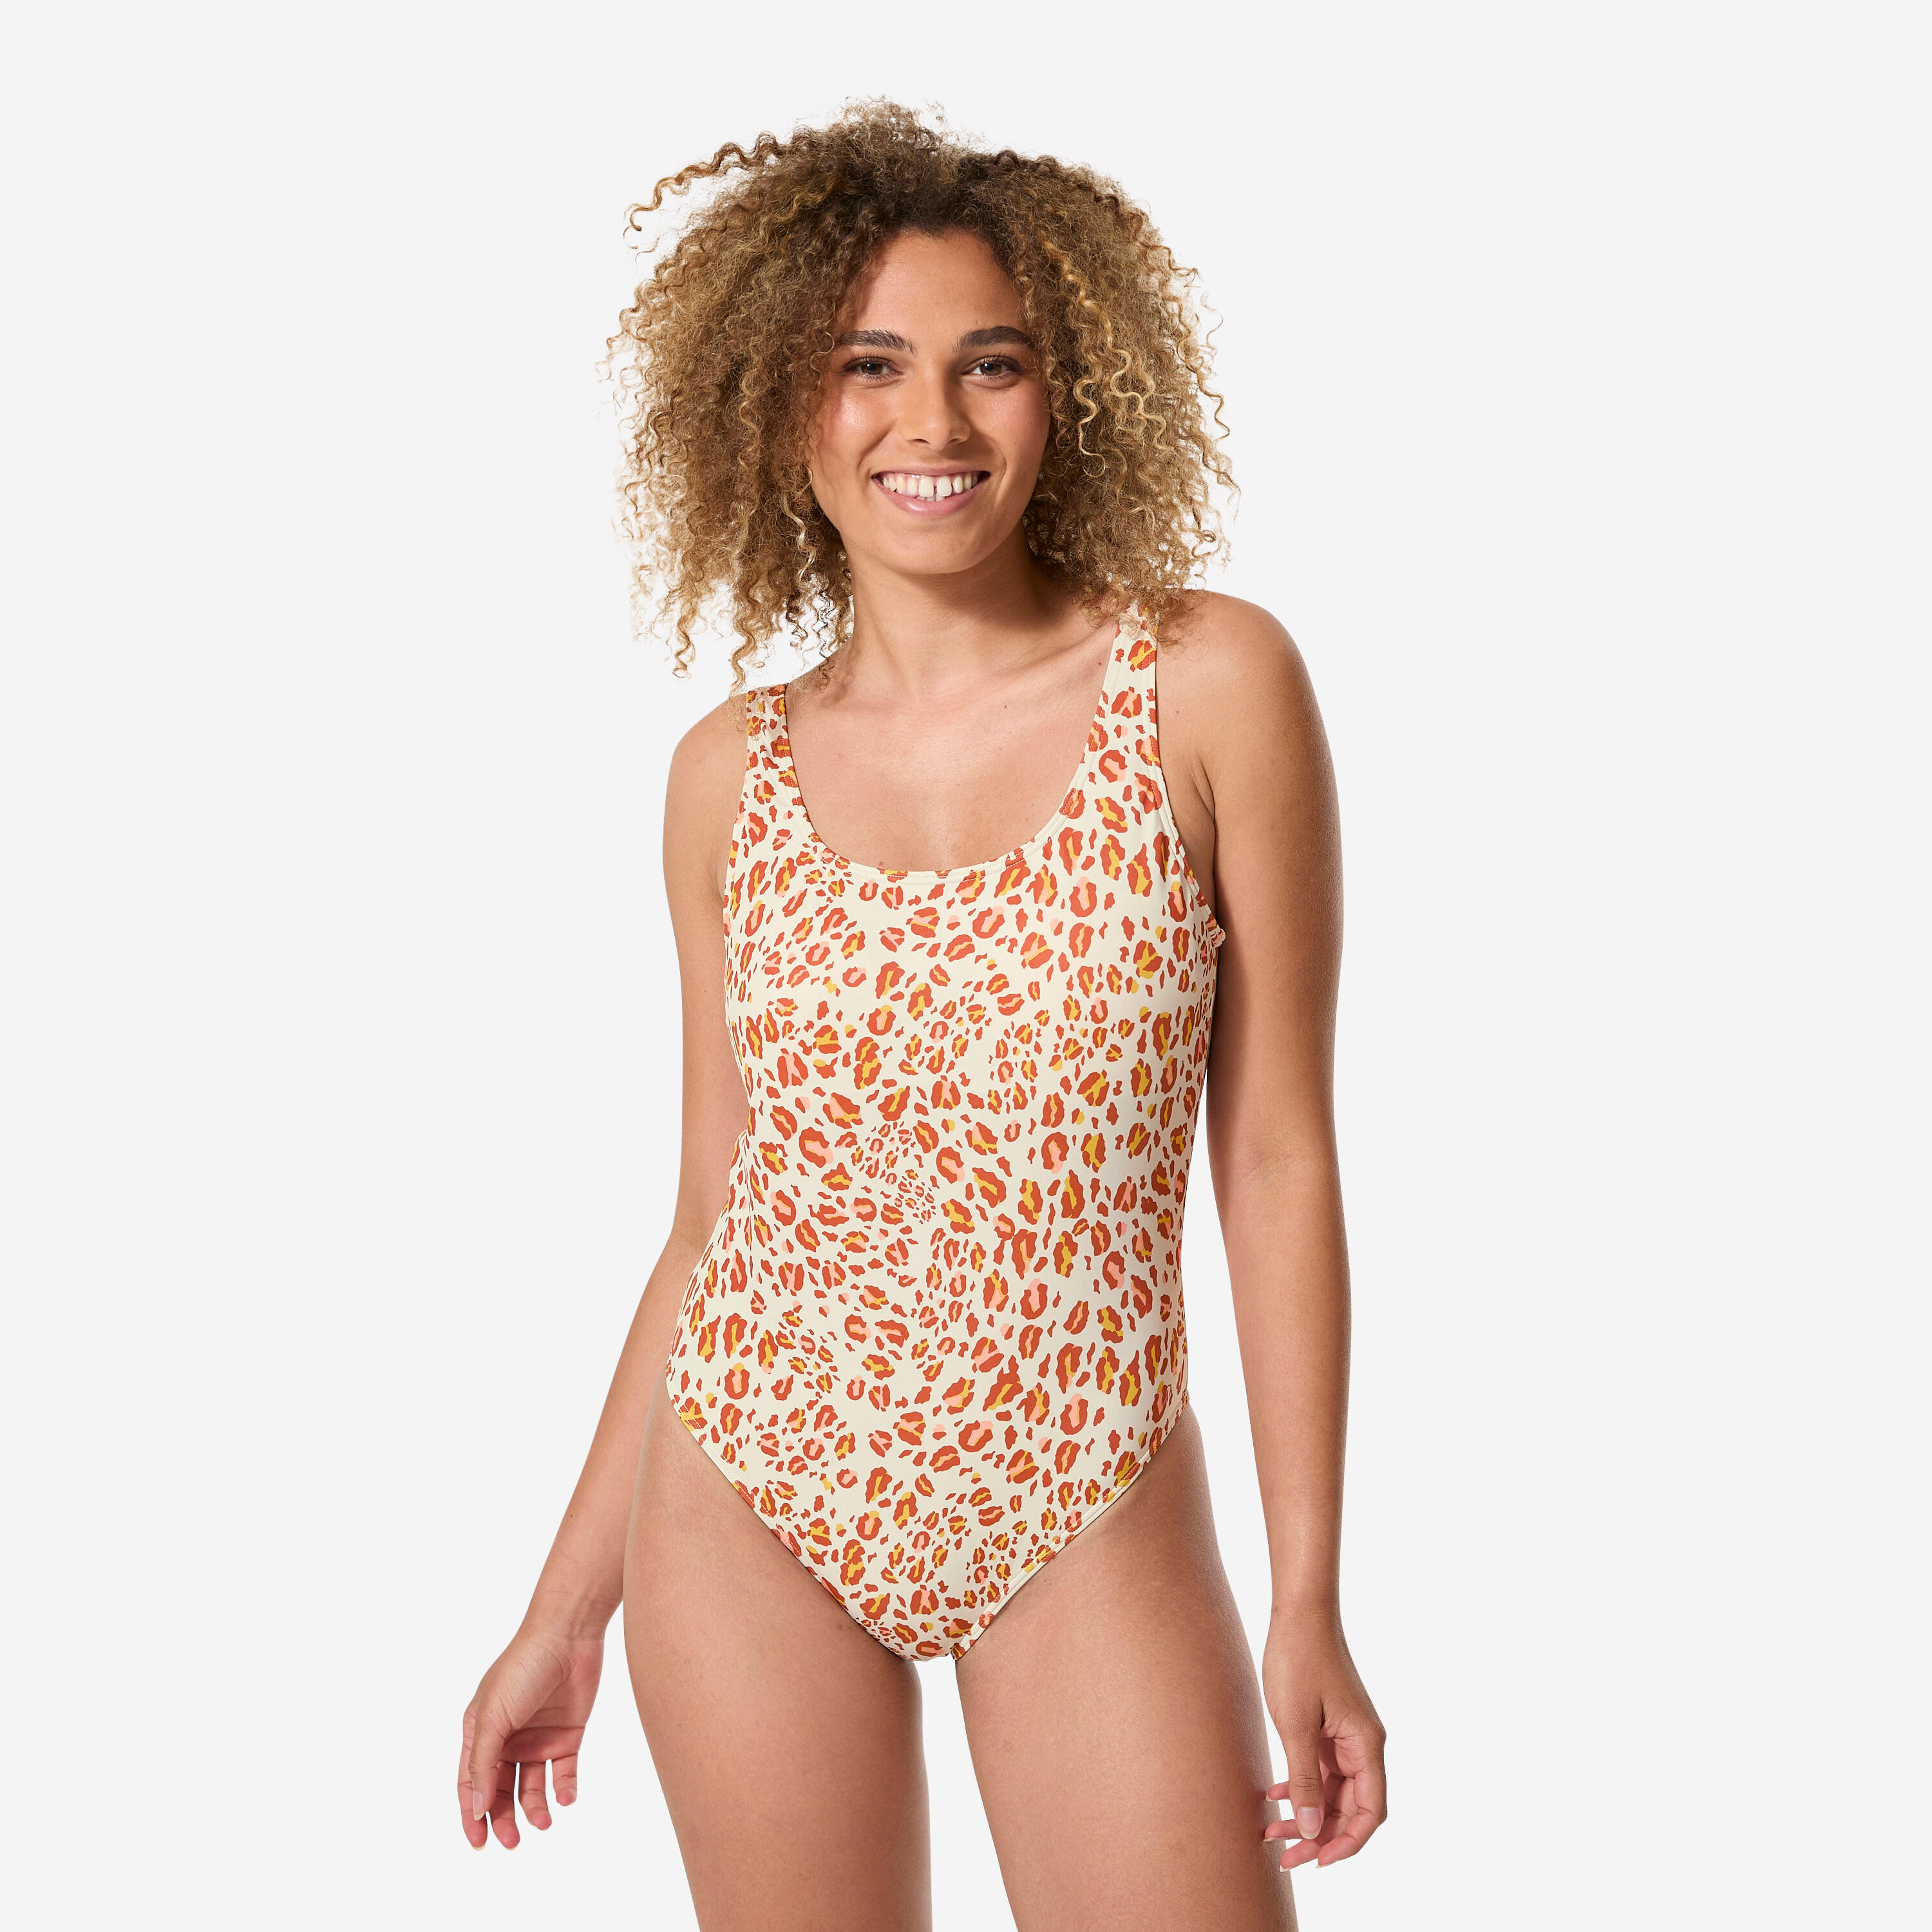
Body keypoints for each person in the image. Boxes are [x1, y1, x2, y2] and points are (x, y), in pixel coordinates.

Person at [457, 101, 1387, 1930]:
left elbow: (1275, 1156)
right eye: (867, 365)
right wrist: (565, 1610)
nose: (934, 423)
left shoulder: (1209, 684)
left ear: (1070, 390)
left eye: (994, 365)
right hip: (747, 1484)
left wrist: (1309, 1597)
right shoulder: (725, 777)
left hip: (1085, 1484)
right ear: (773, 404)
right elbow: (717, 1211)